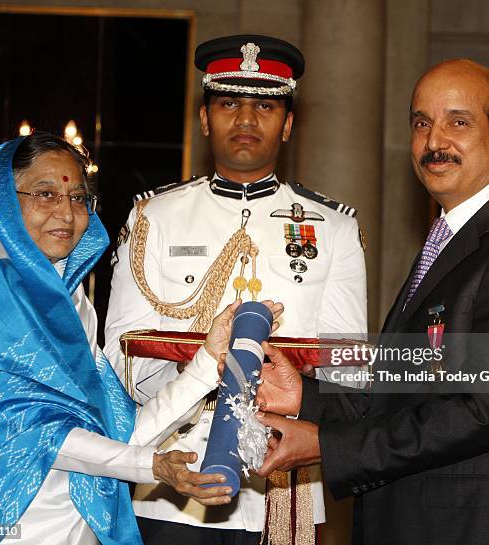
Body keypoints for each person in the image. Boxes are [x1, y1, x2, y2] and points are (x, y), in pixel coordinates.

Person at [254, 59, 489, 545]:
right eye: (421, 123)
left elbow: (484, 409)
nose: (434, 141)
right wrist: (305, 396)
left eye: (457, 122)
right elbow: (405, 384)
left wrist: (328, 445)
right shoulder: (447, 241)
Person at [104, 34, 368, 544]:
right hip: (174, 481)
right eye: (228, 103)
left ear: (288, 123)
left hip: (281, 481)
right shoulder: (153, 219)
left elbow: (348, 373)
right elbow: (122, 359)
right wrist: (205, 374)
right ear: (204, 118)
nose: (245, 120)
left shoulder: (333, 228)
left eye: (265, 106)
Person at [0, 132, 282, 545]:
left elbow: (117, 433)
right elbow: (36, 435)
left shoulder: (74, 306)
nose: (66, 211)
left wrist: (206, 361)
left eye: (78, 198)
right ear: (3, 201)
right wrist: (151, 466)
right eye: (45, 193)